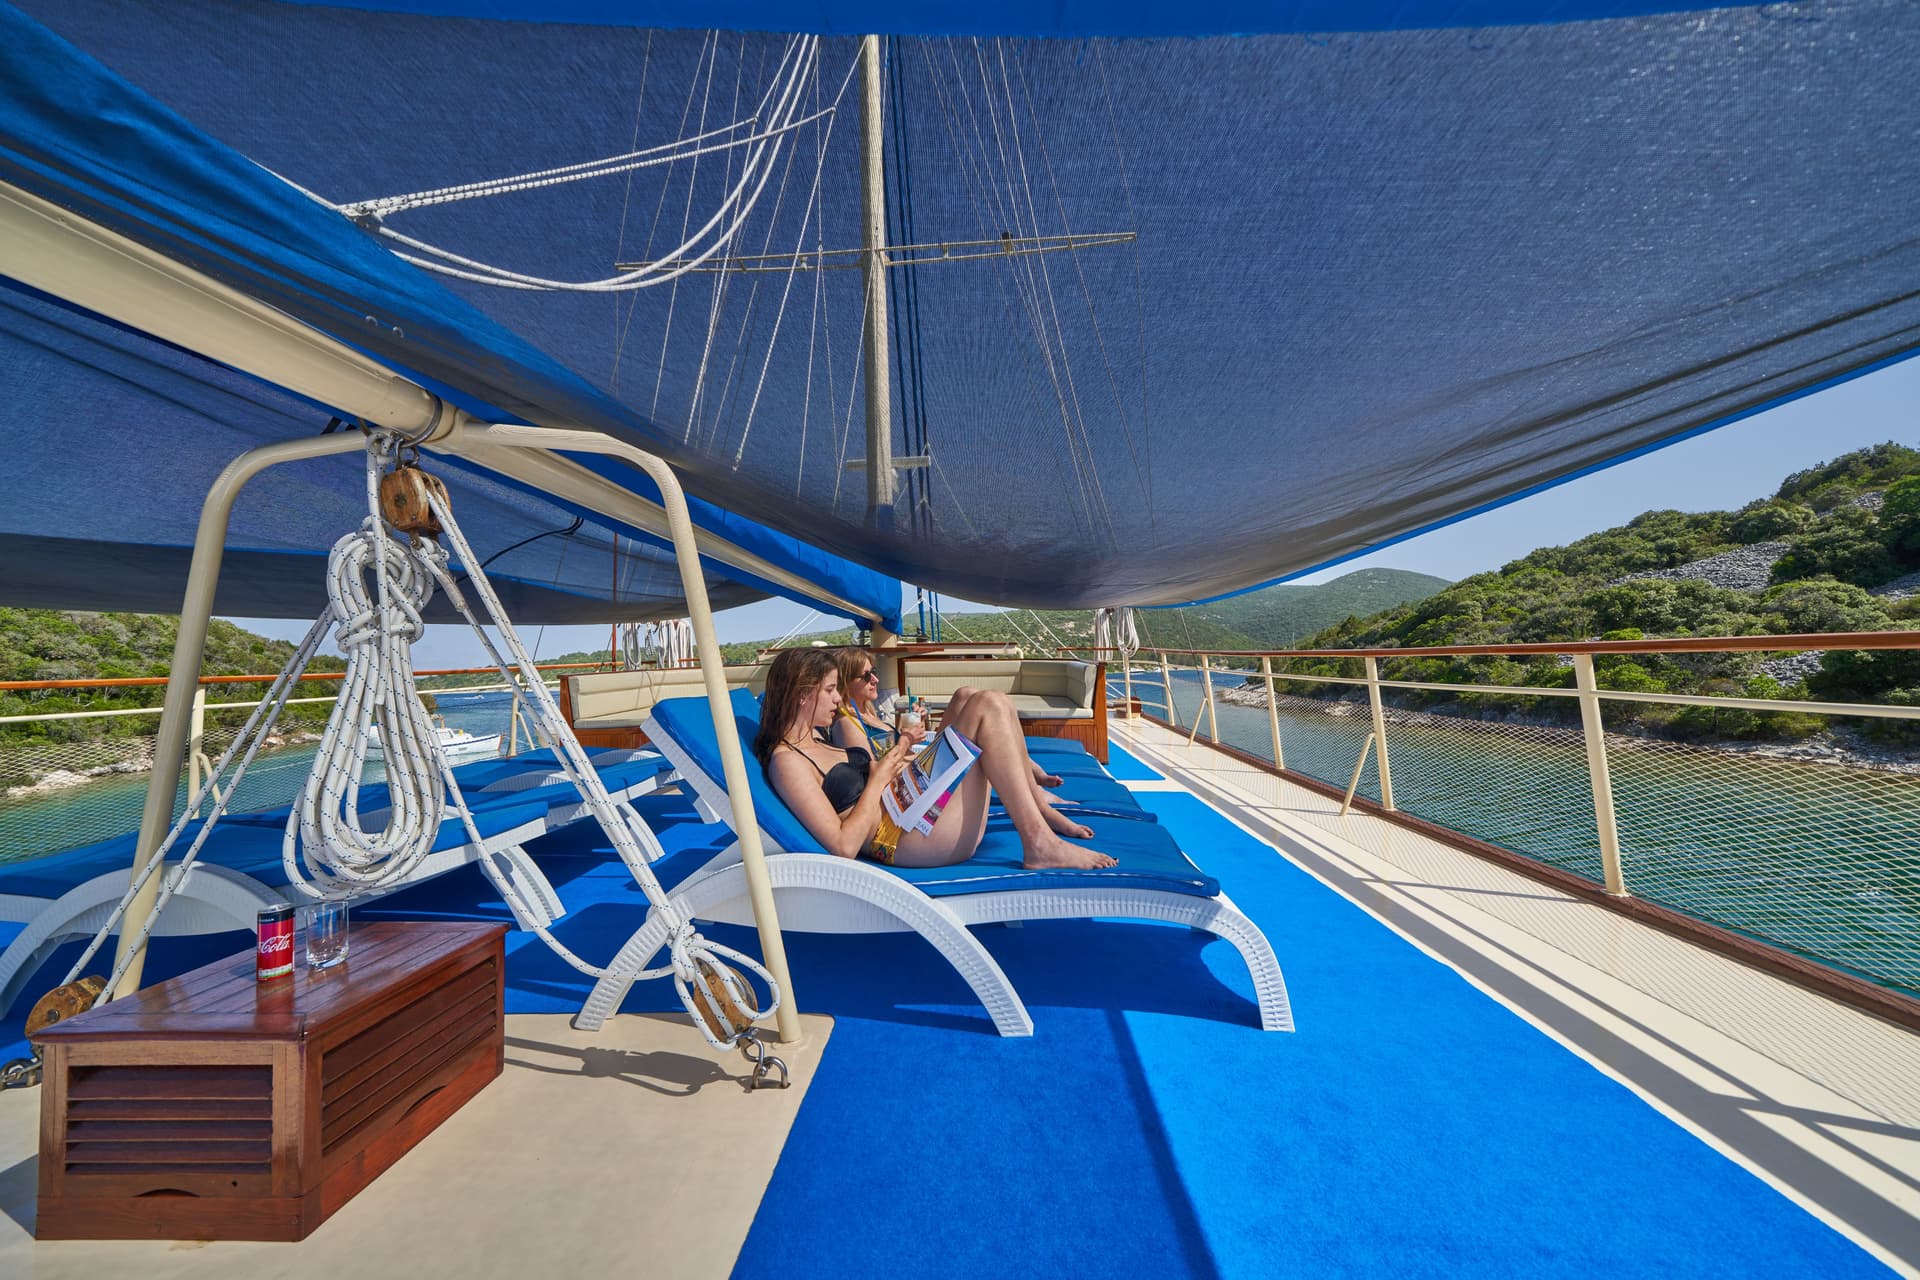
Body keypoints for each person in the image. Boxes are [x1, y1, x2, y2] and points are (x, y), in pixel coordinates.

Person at [756, 647, 1116, 870]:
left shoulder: (818, 738)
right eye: (831, 690)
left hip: (909, 805)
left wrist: (897, 764)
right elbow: (843, 846)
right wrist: (882, 776)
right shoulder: (788, 761)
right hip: (900, 837)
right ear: (802, 695)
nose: (838, 700)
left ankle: (1039, 810)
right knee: (987, 707)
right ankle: (1038, 841)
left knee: (972, 696)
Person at [828, 647, 1067, 792]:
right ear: (846, 681)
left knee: (966, 695)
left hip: (920, 760)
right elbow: (875, 774)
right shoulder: (847, 724)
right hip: (917, 778)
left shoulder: (868, 712)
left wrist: (912, 729)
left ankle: (1030, 770)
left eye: (875, 673)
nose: (875, 680)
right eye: (866, 675)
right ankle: (1033, 788)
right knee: (984, 714)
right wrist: (907, 741)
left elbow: (893, 746)